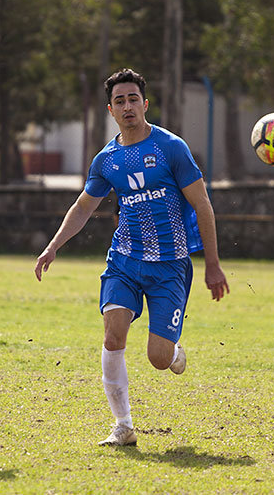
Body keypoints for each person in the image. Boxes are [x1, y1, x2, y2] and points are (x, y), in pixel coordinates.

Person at [34, 68, 229, 447]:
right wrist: (53, 245)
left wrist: (213, 264)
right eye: (119, 101)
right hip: (124, 260)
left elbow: (202, 205)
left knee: (157, 358)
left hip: (170, 265)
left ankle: (172, 351)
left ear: (145, 104)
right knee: (113, 335)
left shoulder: (171, 147)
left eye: (133, 99)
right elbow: (82, 207)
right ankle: (123, 426)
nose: (127, 106)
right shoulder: (106, 160)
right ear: (111, 109)